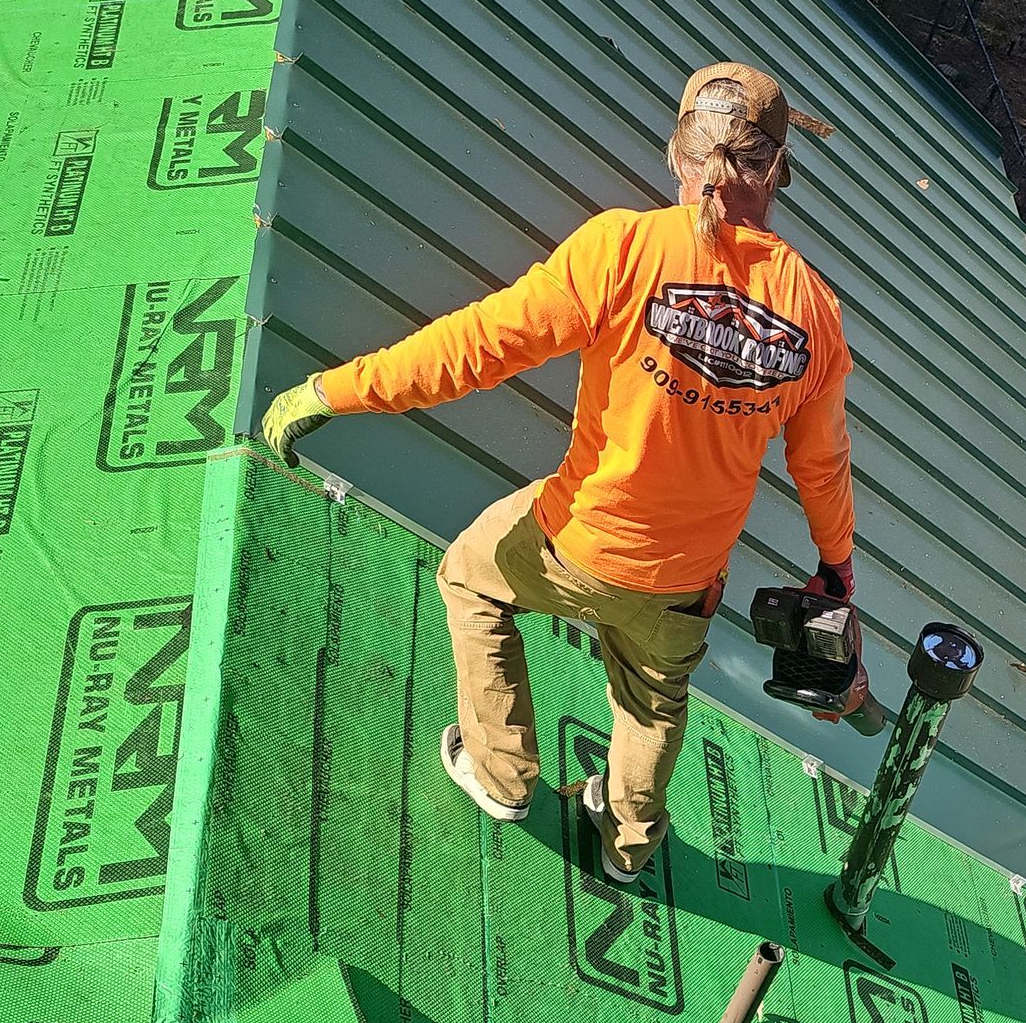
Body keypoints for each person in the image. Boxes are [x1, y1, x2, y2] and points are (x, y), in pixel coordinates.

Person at [261, 65, 856, 877]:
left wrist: (333, 388)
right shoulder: (816, 313)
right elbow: (821, 468)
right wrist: (836, 570)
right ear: (777, 171)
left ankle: (501, 772)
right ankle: (628, 846)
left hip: (572, 543)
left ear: (677, 158)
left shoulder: (624, 248)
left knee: (471, 578)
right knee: (653, 704)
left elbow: (477, 348)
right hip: (684, 582)